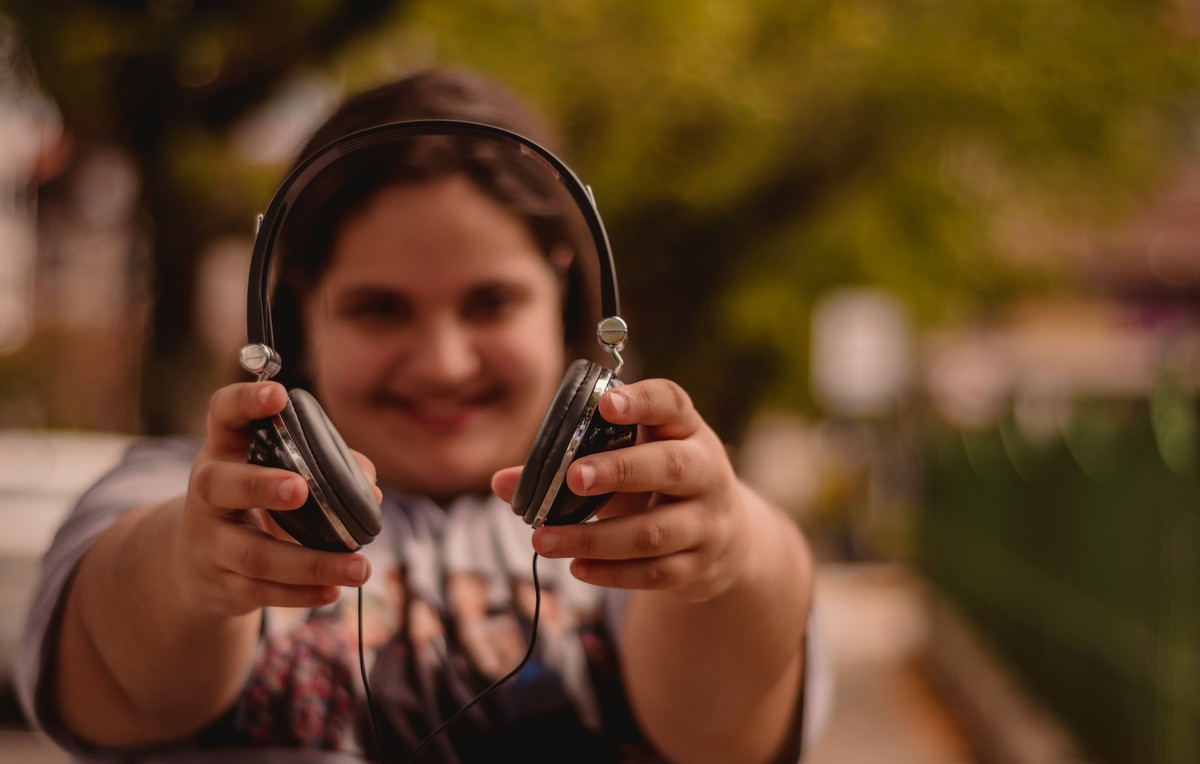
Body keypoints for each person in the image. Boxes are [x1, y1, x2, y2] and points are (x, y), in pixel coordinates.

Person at [16, 69, 824, 763]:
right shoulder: (192, 496)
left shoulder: (631, 520)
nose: (442, 361)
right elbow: (116, 671)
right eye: (379, 310)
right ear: (297, 317)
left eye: (490, 303)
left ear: (564, 296)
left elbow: (723, 730)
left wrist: (731, 559)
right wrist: (196, 566)